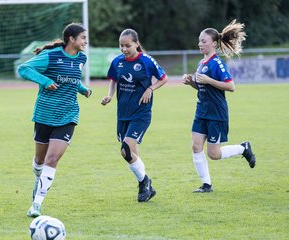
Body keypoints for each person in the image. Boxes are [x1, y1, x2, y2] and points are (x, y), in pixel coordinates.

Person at [17, 23, 91, 217]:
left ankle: (37, 204)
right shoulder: (51, 56)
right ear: (71, 39)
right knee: (39, 160)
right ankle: (37, 179)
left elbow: (72, 79)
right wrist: (46, 81)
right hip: (44, 115)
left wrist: (82, 90)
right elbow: (23, 69)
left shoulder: (82, 58)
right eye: (82, 37)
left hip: (68, 115)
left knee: (52, 158)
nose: (85, 41)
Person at [182, 19, 256, 193]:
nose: (200, 44)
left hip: (216, 113)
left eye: (204, 41)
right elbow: (202, 86)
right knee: (195, 146)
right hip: (201, 111)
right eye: (199, 41)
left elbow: (231, 86)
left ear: (214, 43)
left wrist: (208, 80)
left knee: (214, 154)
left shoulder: (217, 63)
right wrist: (191, 82)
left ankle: (243, 148)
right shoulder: (202, 63)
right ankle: (206, 185)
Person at [101, 29, 168, 202]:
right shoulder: (117, 62)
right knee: (131, 154)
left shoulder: (146, 61)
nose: (124, 49)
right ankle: (146, 185)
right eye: (121, 45)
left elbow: (163, 78)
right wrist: (110, 95)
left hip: (141, 113)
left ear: (137, 44)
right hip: (123, 114)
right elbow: (114, 79)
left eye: (128, 45)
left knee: (126, 150)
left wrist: (150, 88)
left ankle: (144, 182)